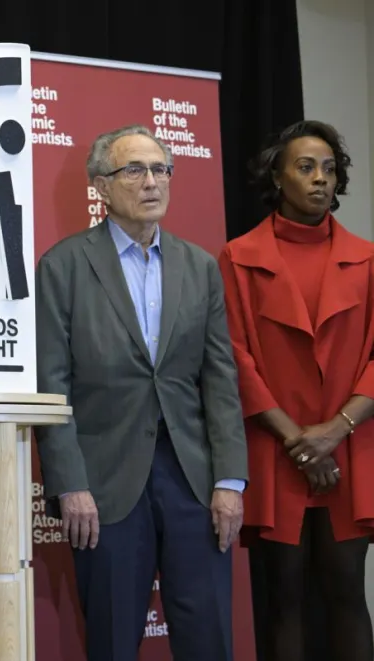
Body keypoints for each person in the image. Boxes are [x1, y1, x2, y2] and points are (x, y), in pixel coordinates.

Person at [34, 124, 248, 661]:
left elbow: (220, 378)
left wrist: (229, 479)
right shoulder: (63, 267)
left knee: (208, 637)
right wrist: (70, 485)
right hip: (104, 486)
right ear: (101, 187)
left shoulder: (199, 266)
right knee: (111, 638)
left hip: (193, 482)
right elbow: (50, 385)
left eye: (160, 170)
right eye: (134, 169)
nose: (151, 181)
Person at [218, 120, 374, 661]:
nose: (320, 180)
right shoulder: (238, 258)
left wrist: (335, 431)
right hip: (275, 450)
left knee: (347, 595)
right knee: (282, 600)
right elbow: (233, 359)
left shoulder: (368, 258)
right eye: (306, 167)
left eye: (330, 169)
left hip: (350, 448)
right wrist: (299, 442)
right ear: (277, 178)